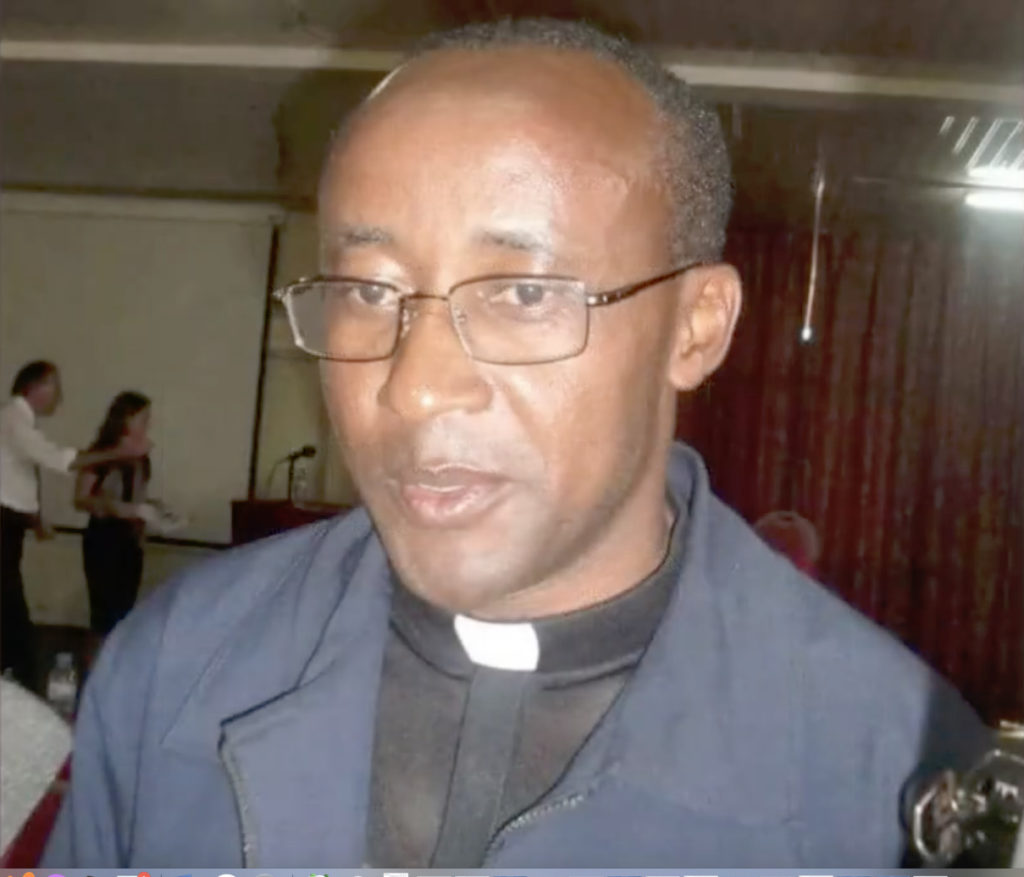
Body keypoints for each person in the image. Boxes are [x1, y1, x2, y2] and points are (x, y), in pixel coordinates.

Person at [44, 19, 989, 868]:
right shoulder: (177, 662)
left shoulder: (899, 777)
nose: (414, 385)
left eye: (524, 292)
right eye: (369, 291)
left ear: (696, 327)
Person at [0, 361, 149, 688]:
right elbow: (57, 460)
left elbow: (20, 474)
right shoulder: (13, 419)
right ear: (38, 387)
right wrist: (116, 453)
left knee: (9, 601)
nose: (60, 397)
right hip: (13, 524)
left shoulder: (17, 424)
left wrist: (35, 517)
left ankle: (18, 674)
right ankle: (21, 678)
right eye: (55, 387)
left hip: (12, 522)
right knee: (9, 603)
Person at [74, 392, 153, 637]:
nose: (146, 425)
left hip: (131, 540)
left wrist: (155, 512)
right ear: (125, 419)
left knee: (125, 611)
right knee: (104, 614)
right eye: (142, 419)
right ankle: (97, 657)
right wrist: (110, 506)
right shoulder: (101, 453)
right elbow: (81, 499)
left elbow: (137, 496)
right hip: (103, 538)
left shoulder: (142, 459)